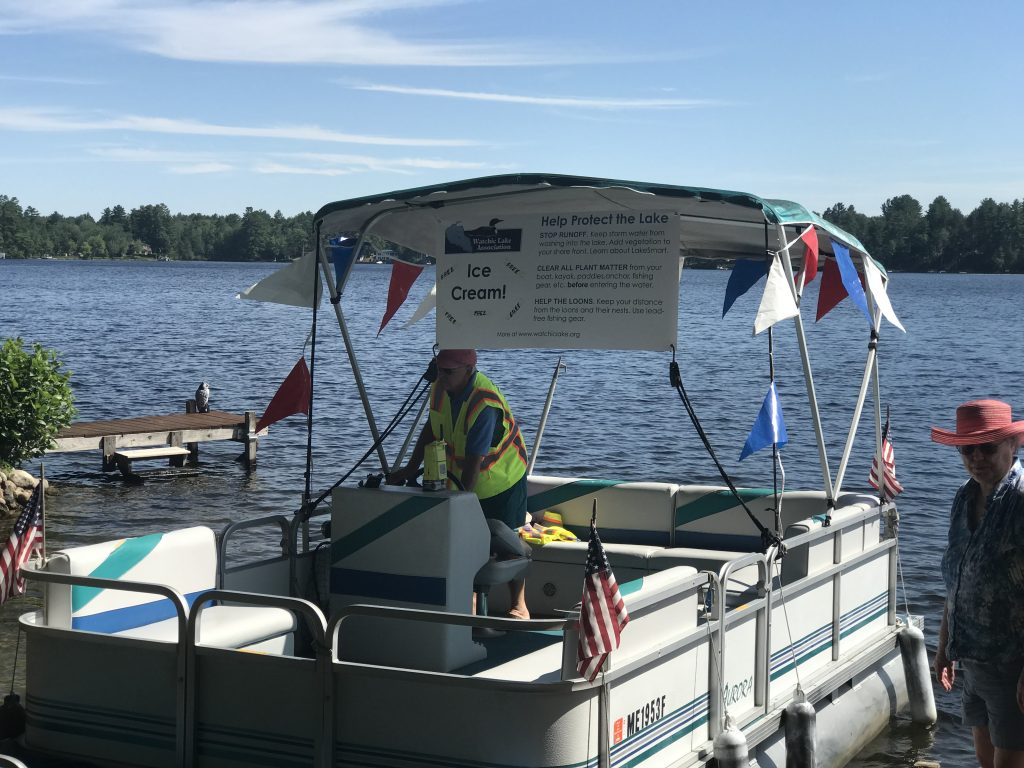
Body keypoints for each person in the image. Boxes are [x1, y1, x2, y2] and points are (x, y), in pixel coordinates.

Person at [388, 349, 531, 619]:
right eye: (439, 369)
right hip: (463, 476)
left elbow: (474, 461)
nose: (442, 377)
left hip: (502, 478)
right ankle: (472, 600)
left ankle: (519, 604)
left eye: (449, 371)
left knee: (510, 542)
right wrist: (409, 468)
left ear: (469, 369)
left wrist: (463, 502)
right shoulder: (440, 388)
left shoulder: (483, 404)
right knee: (468, 542)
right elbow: (431, 427)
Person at [931, 399, 1024, 768]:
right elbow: (956, 578)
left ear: (1012, 446)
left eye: (988, 447)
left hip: (1012, 661)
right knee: (985, 758)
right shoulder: (964, 497)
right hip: (972, 659)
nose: (977, 457)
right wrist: (944, 649)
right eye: (968, 449)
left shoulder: (1020, 499)